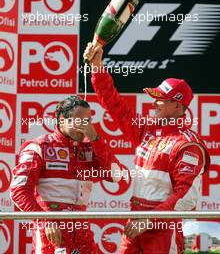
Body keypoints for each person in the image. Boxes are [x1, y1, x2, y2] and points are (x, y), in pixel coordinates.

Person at [83, 44, 210, 254]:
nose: (154, 103)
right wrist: (97, 67)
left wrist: (150, 220)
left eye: (161, 99)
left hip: (164, 227)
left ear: (178, 107)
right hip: (136, 220)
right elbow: (114, 105)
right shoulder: (146, 130)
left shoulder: (188, 145)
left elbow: (185, 198)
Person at [10, 95, 122, 254]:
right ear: (62, 119)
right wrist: (44, 222)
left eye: (88, 121)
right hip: (52, 231)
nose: (84, 126)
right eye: (79, 121)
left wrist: (96, 139)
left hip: (82, 231)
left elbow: (116, 176)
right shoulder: (38, 147)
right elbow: (19, 190)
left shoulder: (90, 148)